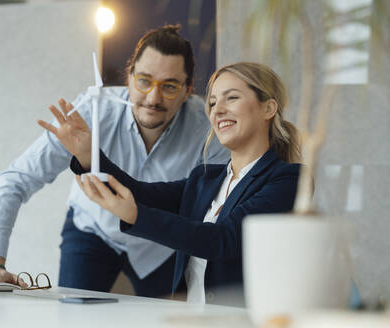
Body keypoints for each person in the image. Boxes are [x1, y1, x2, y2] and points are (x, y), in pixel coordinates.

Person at [0, 25, 229, 297]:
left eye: (170, 86)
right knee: (73, 316)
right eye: (144, 81)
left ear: (187, 90)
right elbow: (16, 179)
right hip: (93, 230)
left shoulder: (209, 129)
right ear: (129, 77)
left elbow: (216, 214)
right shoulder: (91, 110)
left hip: (161, 245)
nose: (153, 98)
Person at [40, 62, 302, 304]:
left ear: (268, 107)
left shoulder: (288, 179)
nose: (217, 109)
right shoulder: (205, 178)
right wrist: (88, 154)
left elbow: (223, 240)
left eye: (231, 97)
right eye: (212, 102)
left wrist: (136, 215)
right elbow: (139, 192)